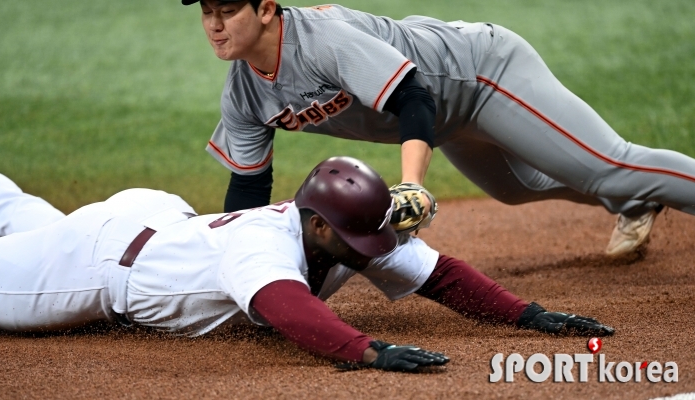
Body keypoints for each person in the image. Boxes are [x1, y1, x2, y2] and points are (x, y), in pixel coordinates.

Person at [0, 157, 613, 372]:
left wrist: (531, 314)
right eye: (358, 240)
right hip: (96, 265)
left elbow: (439, 274)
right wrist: (370, 351)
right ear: (318, 225)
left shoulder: (347, 227)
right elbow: (287, 309)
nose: (372, 251)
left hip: (153, 220)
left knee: (20, 216)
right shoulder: (263, 247)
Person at [182, 0, 695, 257]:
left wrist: (411, 185)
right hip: (445, 121)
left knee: (608, 166)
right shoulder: (244, 92)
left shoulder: (323, 40)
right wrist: (234, 258)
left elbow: (413, 97)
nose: (215, 25)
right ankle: (635, 201)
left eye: (228, 10)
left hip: (482, 74)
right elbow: (248, 186)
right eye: (207, 12)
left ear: (266, 9)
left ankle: (629, 189)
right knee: (517, 191)